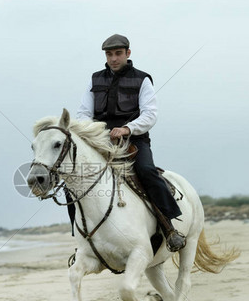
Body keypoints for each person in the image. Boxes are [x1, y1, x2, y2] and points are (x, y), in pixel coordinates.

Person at [75, 34, 186, 252]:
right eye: (109, 54)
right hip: (101, 140)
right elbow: (83, 113)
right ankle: (80, 241)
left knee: (146, 171)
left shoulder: (142, 79)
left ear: (128, 53)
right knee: (76, 180)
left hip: (134, 139)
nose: (113, 58)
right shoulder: (95, 79)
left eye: (118, 53)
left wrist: (128, 129)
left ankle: (169, 228)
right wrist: (92, 132)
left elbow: (150, 114)